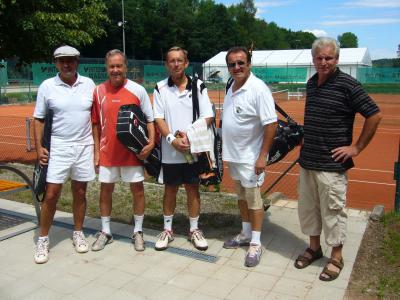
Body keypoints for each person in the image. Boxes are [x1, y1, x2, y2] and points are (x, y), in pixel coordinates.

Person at [295, 37, 382, 281]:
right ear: (313, 60)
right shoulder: (312, 83)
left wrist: (356, 148)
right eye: (319, 58)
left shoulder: (348, 85)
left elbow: (374, 115)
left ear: (337, 59)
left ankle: (336, 257)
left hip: (332, 166)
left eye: (328, 58)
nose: (323, 62)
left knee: (333, 212)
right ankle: (314, 247)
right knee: (309, 210)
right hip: (308, 162)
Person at [33, 45, 96, 264]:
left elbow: (95, 119)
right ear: (56, 63)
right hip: (58, 146)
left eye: (70, 60)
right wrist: (40, 147)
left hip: (84, 145)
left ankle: (78, 232)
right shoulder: (47, 86)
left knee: (80, 191)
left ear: (77, 62)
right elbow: (39, 118)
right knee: (51, 194)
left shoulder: (89, 84)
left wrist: (96, 148)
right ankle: (43, 239)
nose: (66, 64)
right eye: (62, 61)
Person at [91, 49, 155, 252]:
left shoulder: (138, 90)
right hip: (107, 153)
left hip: (133, 154)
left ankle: (137, 232)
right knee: (105, 191)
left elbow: (150, 119)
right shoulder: (98, 91)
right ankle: (106, 231)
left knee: (137, 191)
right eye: (112, 66)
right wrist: (96, 152)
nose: (116, 70)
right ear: (106, 68)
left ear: (126, 67)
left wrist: (151, 143)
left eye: (119, 66)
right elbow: (95, 124)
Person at [153, 46, 213, 251]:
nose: (176, 64)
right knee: (170, 190)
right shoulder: (160, 87)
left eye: (180, 60)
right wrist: (172, 139)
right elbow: (158, 118)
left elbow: (208, 115)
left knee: (192, 189)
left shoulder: (198, 85)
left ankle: (194, 229)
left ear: (186, 63)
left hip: (193, 150)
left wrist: (189, 135)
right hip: (171, 151)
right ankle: (168, 230)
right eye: (171, 61)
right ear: (166, 64)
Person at [222, 46, 278, 267]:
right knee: (242, 198)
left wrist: (262, 156)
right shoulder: (231, 86)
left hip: (250, 157)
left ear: (249, 64)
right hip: (234, 156)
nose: (236, 67)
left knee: (254, 201)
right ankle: (245, 234)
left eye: (240, 63)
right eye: (232, 64)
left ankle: (255, 243)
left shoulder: (258, 89)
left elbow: (271, 123)